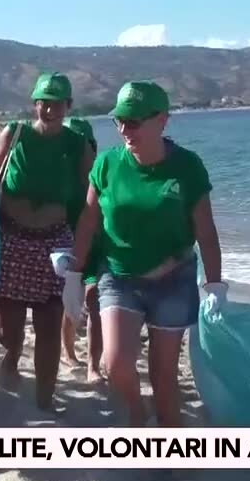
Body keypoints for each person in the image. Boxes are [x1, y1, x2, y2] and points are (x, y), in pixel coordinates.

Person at [68, 81, 224, 426]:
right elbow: (88, 220)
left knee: (164, 375)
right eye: (119, 120)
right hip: (119, 276)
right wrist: (74, 274)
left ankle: (168, 454)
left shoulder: (187, 167)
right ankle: (138, 416)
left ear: (162, 121)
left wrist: (215, 287)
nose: (125, 129)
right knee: (116, 363)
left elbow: (206, 233)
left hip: (174, 278)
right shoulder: (107, 165)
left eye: (134, 121)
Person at [0, 72, 94, 411]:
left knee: (48, 327)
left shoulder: (77, 144)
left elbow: (92, 195)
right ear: (35, 104)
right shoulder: (15, 133)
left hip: (54, 244)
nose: (50, 109)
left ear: (68, 106)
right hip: (12, 240)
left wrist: (86, 247)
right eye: (44, 102)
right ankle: (11, 363)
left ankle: (45, 401)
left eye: (57, 103)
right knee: (8, 333)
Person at [60, 115, 105, 381]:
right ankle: (69, 353)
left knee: (94, 302)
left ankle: (93, 365)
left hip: (97, 248)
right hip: (66, 248)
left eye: (84, 144)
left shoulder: (101, 174)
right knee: (69, 306)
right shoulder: (58, 179)